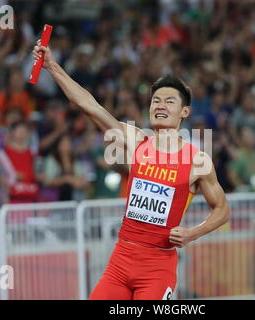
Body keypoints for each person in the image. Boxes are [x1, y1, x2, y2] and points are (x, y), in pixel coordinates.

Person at [32, 41, 230, 300]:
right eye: (155, 100)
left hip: (157, 267)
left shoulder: (197, 161)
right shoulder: (136, 140)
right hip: (121, 261)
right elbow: (90, 106)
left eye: (169, 101)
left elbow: (223, 209)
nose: (160, 105)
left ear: (185, 111)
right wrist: (51, 65)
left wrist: (193, 233)